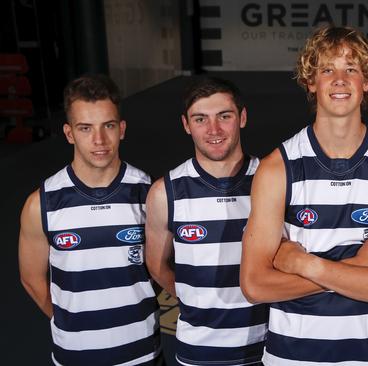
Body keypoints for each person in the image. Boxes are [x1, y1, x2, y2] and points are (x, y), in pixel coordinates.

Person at [240, 25, 368, 366]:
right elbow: (255, 285)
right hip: (290, 358)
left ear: (366, 81)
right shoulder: (277, 168)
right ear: (311, 82)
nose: (339, 80)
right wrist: (356, 267)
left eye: (351, 69)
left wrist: (304, 264)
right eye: (327, 70)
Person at [18, 74, 162, 365]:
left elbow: (164, 268)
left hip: (142, 352)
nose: (99, 140)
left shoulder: (149, 194)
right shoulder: (41, 203)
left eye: (107, 126)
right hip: (74, 356)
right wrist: (73, 323)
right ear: (70, 133)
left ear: (121, 129)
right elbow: (32, 279)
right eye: (85, 128)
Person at [145, 76, 268, 366]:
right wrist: (194, 300)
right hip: (198, 352)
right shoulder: (166, 192)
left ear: (242, 117)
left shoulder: (271, 180)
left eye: (224, 116)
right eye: (201, 119)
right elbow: (156, 265)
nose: (213, 130)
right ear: (187, 125)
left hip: (268, 349)